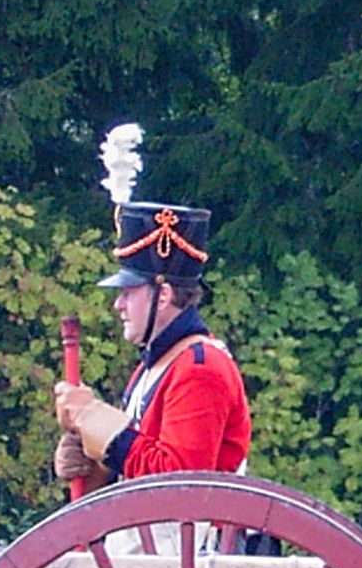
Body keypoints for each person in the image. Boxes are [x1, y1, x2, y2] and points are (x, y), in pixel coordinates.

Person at [52, 124, 251, 484]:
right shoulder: (156, 368)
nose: (119, 305)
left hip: (192, 540)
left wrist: (94, 419)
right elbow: (134, 481)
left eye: (129, 292)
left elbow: (176, 482)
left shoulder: (200, 368)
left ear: (165, 295)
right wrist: (92, 464)